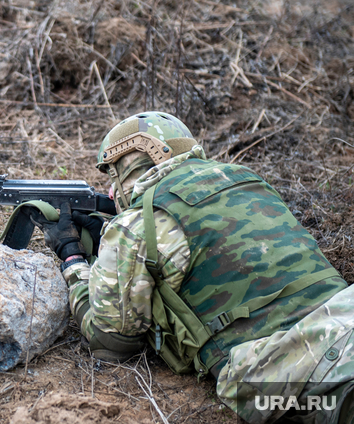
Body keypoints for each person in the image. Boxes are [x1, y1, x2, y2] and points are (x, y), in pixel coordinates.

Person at [33, 111, 354, 424]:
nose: (110, 193)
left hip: (297, 370)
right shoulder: (249, 180)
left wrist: (73, 258)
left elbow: (111, 343)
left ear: (126, 170)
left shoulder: (137, 223)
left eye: (111, 177)